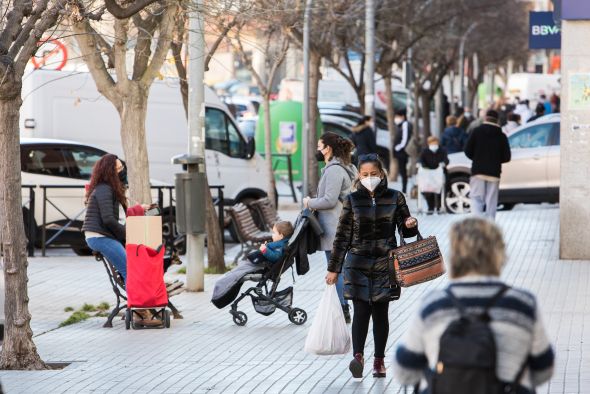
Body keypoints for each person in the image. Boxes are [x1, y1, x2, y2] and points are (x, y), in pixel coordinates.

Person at [393, 218, 554, 393]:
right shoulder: (523, 304)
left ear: (454, 255)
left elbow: (405, 373)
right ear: (499, 254)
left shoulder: (434, 305)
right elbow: (544, 370)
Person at [326, 154, 418, 379]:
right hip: (357, 262)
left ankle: (379, 360)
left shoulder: (396, 197)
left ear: (382, 174)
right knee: (360, 312)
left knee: (380, 313)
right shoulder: (352, 200)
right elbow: (342, 237)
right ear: (359, 175)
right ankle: (358, 357)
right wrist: (334, 268)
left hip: (385, 263)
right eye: (365, 175)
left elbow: (406, 229)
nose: (369, 178)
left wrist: (410, 224)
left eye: (373, 174)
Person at [303, 133, 357, 323]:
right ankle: (344, 306)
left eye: (320, 146)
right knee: (341, 268)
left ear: (328, 149)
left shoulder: (334, 170)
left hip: (333, 227)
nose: (317, 150)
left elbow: (329, 200)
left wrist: (309, 202)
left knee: (336, 269)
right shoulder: (348, 167)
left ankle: (343, 308)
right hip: (342, 224)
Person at [464, 109, 511, 219]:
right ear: (497, 120)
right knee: (491, 201)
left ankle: (478, 223)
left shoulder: (476, 131)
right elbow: (507, 157)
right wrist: (495, 161)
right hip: (494, 173)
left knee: (476, 198)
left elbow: (467, 150)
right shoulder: (501, 136)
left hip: (478, 171)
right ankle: (490, 225)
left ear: (485, 118)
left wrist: (477, 158)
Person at [419, 136, 449, 214]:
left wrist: (443, 163)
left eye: (435, 143)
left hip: (439, 173)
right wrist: (423, 166)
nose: (434, 144)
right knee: (428, 191)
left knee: (439, 191)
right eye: (432, 143)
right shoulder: (425, 151)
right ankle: (430, 207)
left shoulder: (442, 150)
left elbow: (446, 160)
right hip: (428, 174)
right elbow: (421, 160)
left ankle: (439, 207)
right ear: (429, 143)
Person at [393, 109, 412, 193]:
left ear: (402, 117)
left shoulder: (405, 124)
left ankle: (404, 189)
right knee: (402, 171)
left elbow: (405, 139)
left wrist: (398, 147)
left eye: (397, 116)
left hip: (402, 152)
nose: (396, 118)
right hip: (400, 152)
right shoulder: (401, 125)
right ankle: (404, 188)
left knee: (403, 171)